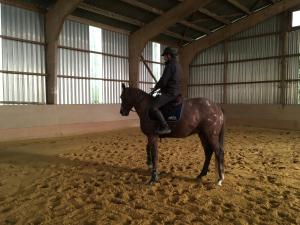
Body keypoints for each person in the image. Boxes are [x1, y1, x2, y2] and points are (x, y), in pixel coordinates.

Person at [149, 47, 181, 135]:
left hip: (170, 92)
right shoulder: (177, 65)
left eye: (165, 56)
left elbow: (163, 80)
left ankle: (165, 126)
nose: (164, 58)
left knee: (153, 107)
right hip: (176, 91)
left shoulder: (170, 65)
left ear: (169, 56)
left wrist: (155, 88)